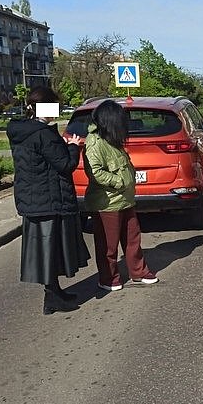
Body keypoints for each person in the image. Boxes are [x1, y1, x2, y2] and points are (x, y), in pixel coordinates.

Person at [6, 86, 90, 315]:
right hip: (49, 199)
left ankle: (54, 291)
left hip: (34, 199)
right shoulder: (43, 133)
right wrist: (73, 147)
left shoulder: (22, 130)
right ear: (42, 107)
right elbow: (65, 165)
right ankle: (52, 298)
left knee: (47, 252)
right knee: (51, 251)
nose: (56, 110)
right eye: (53, 105)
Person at [83, 100, 157, 291]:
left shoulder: (111, 139)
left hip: (125, 199)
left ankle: (138, 272)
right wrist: (119, 182)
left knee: (133, 238)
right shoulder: (95, 143)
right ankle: (109, 278)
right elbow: (95, 172)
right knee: (108, 244)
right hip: (107, 202)